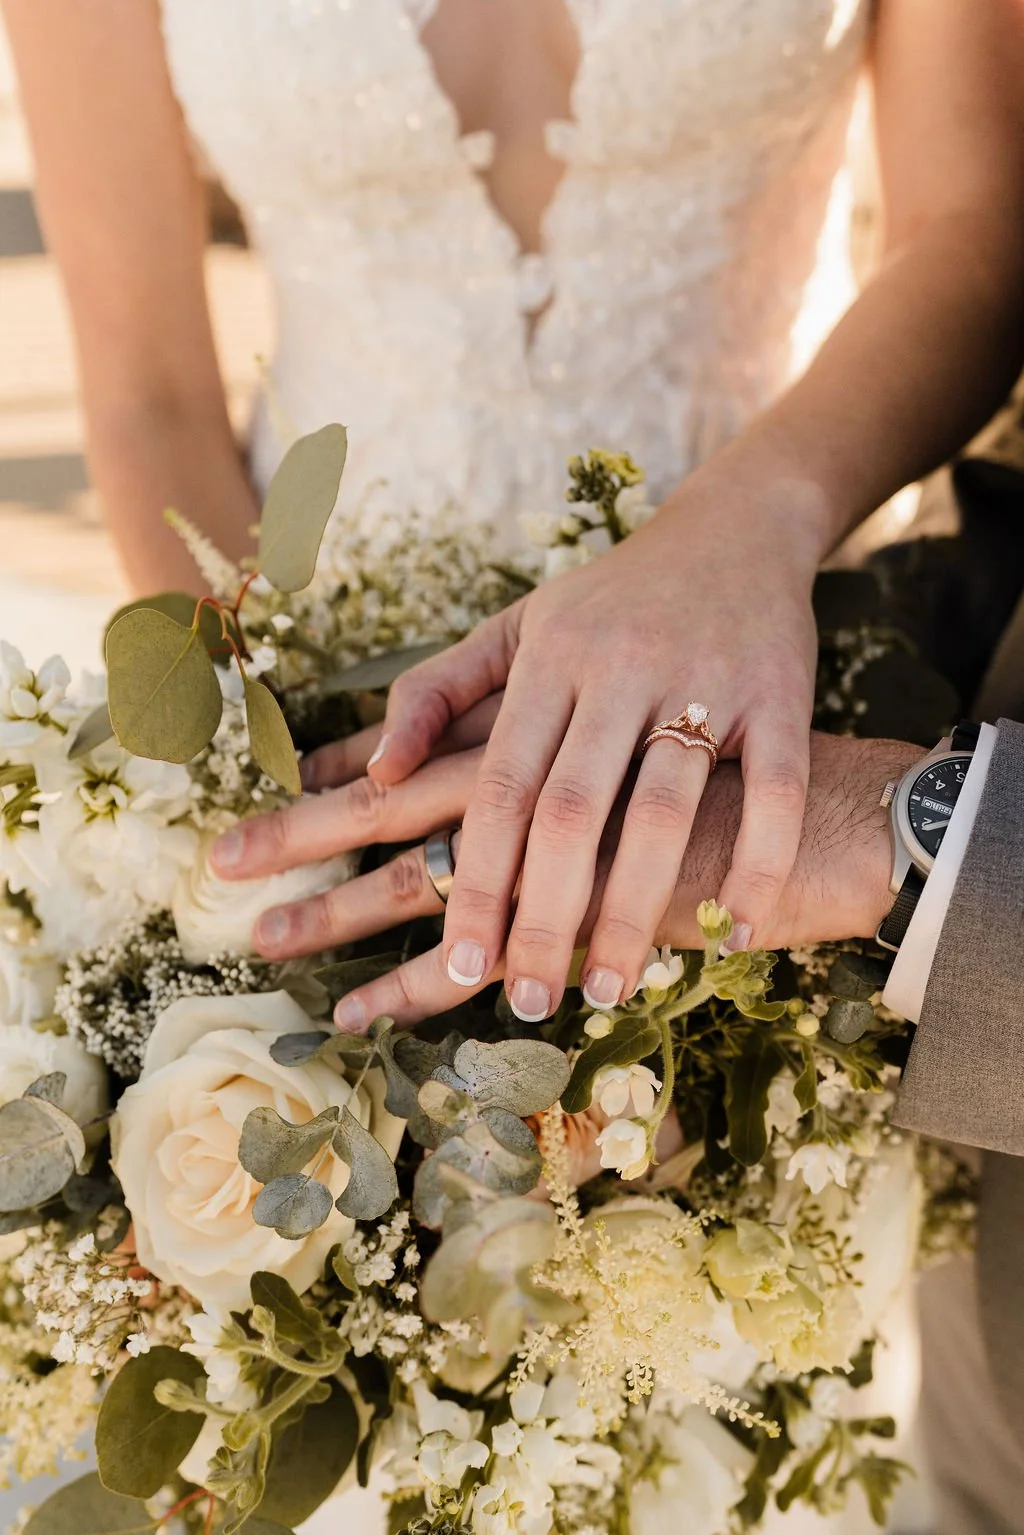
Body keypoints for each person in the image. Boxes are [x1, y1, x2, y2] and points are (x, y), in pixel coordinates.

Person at [5, 0, 1024, 1034]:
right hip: (342, 690)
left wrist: (747, 524)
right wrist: (320, 805)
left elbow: (974, 224)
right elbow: (152, 400)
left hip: (797, 671)